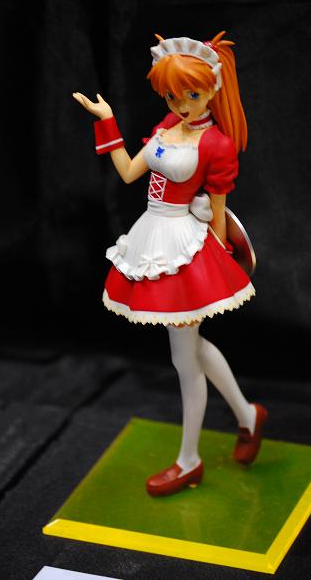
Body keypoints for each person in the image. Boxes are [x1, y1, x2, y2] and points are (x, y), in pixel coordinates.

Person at [73, 31, 267, 497]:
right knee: (191, 349)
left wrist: (217, 258)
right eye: (173, 96)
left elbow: (218, 209)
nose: (182, 105)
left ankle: (189, 461)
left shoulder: (215, 144)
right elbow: (128, 172)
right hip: (152, 235)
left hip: (184, 246)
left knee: (184, 358)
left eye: (191, 95)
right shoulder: (165, 128)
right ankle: (246, 414)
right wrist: (108, 120)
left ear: (213, 89)